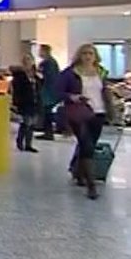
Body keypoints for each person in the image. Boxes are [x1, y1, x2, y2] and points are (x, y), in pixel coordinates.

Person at [60, 44, 112, 200]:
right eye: (84, 53)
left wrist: (111, 109)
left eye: (91, 53)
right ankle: (91, 186)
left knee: (86, 147)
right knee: (86, 145)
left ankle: (78, 173)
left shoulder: (101, 72)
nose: (88, 56)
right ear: (79, 55)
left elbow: (105, 91)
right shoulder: (70, 73)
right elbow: (58, 91)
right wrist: (72, 97)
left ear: (95, 56)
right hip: (79, 113)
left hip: (98, 113)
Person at [11, 53, 40, 153]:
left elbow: (39, 87)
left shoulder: (36, 75)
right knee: (26, 123)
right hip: (25, 102)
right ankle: (20, 142)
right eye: (26, 60)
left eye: (29, 59)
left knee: (31, 124)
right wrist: (16, 103)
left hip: (35, 101)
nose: (28, 62)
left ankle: (28, 144)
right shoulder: (19, 76)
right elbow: (17, 91)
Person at [36, 44, 61, 140]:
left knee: (47, 112)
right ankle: (48, 131)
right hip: (52, 90)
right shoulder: (52, 62)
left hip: (48, 91)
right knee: (47, 112)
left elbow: (45, 77)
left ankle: (48, 132)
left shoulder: (47, 63)